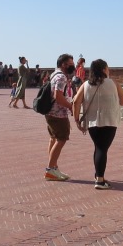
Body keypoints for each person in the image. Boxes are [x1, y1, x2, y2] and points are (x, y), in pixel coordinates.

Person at [72, 59, 123, 190]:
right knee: (102, 149)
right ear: (104, 70)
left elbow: (76, 101)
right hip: (109, 121)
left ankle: (98, 175)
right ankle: (99, 180)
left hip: (92, 122)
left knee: (98, 147)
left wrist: (77, 120)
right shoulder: (112, 83)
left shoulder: (86, 84)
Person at [43, 53, 77, 181]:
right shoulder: (61, 77)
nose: (73, 66)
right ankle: (50, 170)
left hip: (51, 112)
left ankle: (54, 167)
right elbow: (58, 96)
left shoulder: (54, 74)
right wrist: (70, 106)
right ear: (64, 64)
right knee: (61, 140)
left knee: (54, 139)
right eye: (71, 64)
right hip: (58, 114)